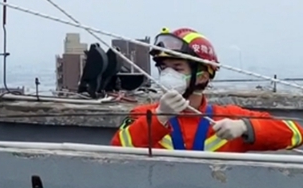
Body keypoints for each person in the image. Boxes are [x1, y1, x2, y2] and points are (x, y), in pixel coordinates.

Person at [112, 27, 303, 153]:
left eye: (177, 68)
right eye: (163, 67)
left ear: (202, 76)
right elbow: (117, 151)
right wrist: (160, 116)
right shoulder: (143, 116)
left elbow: (296, 133)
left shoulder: (228, 118)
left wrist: (245, 127)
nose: (167, 74)